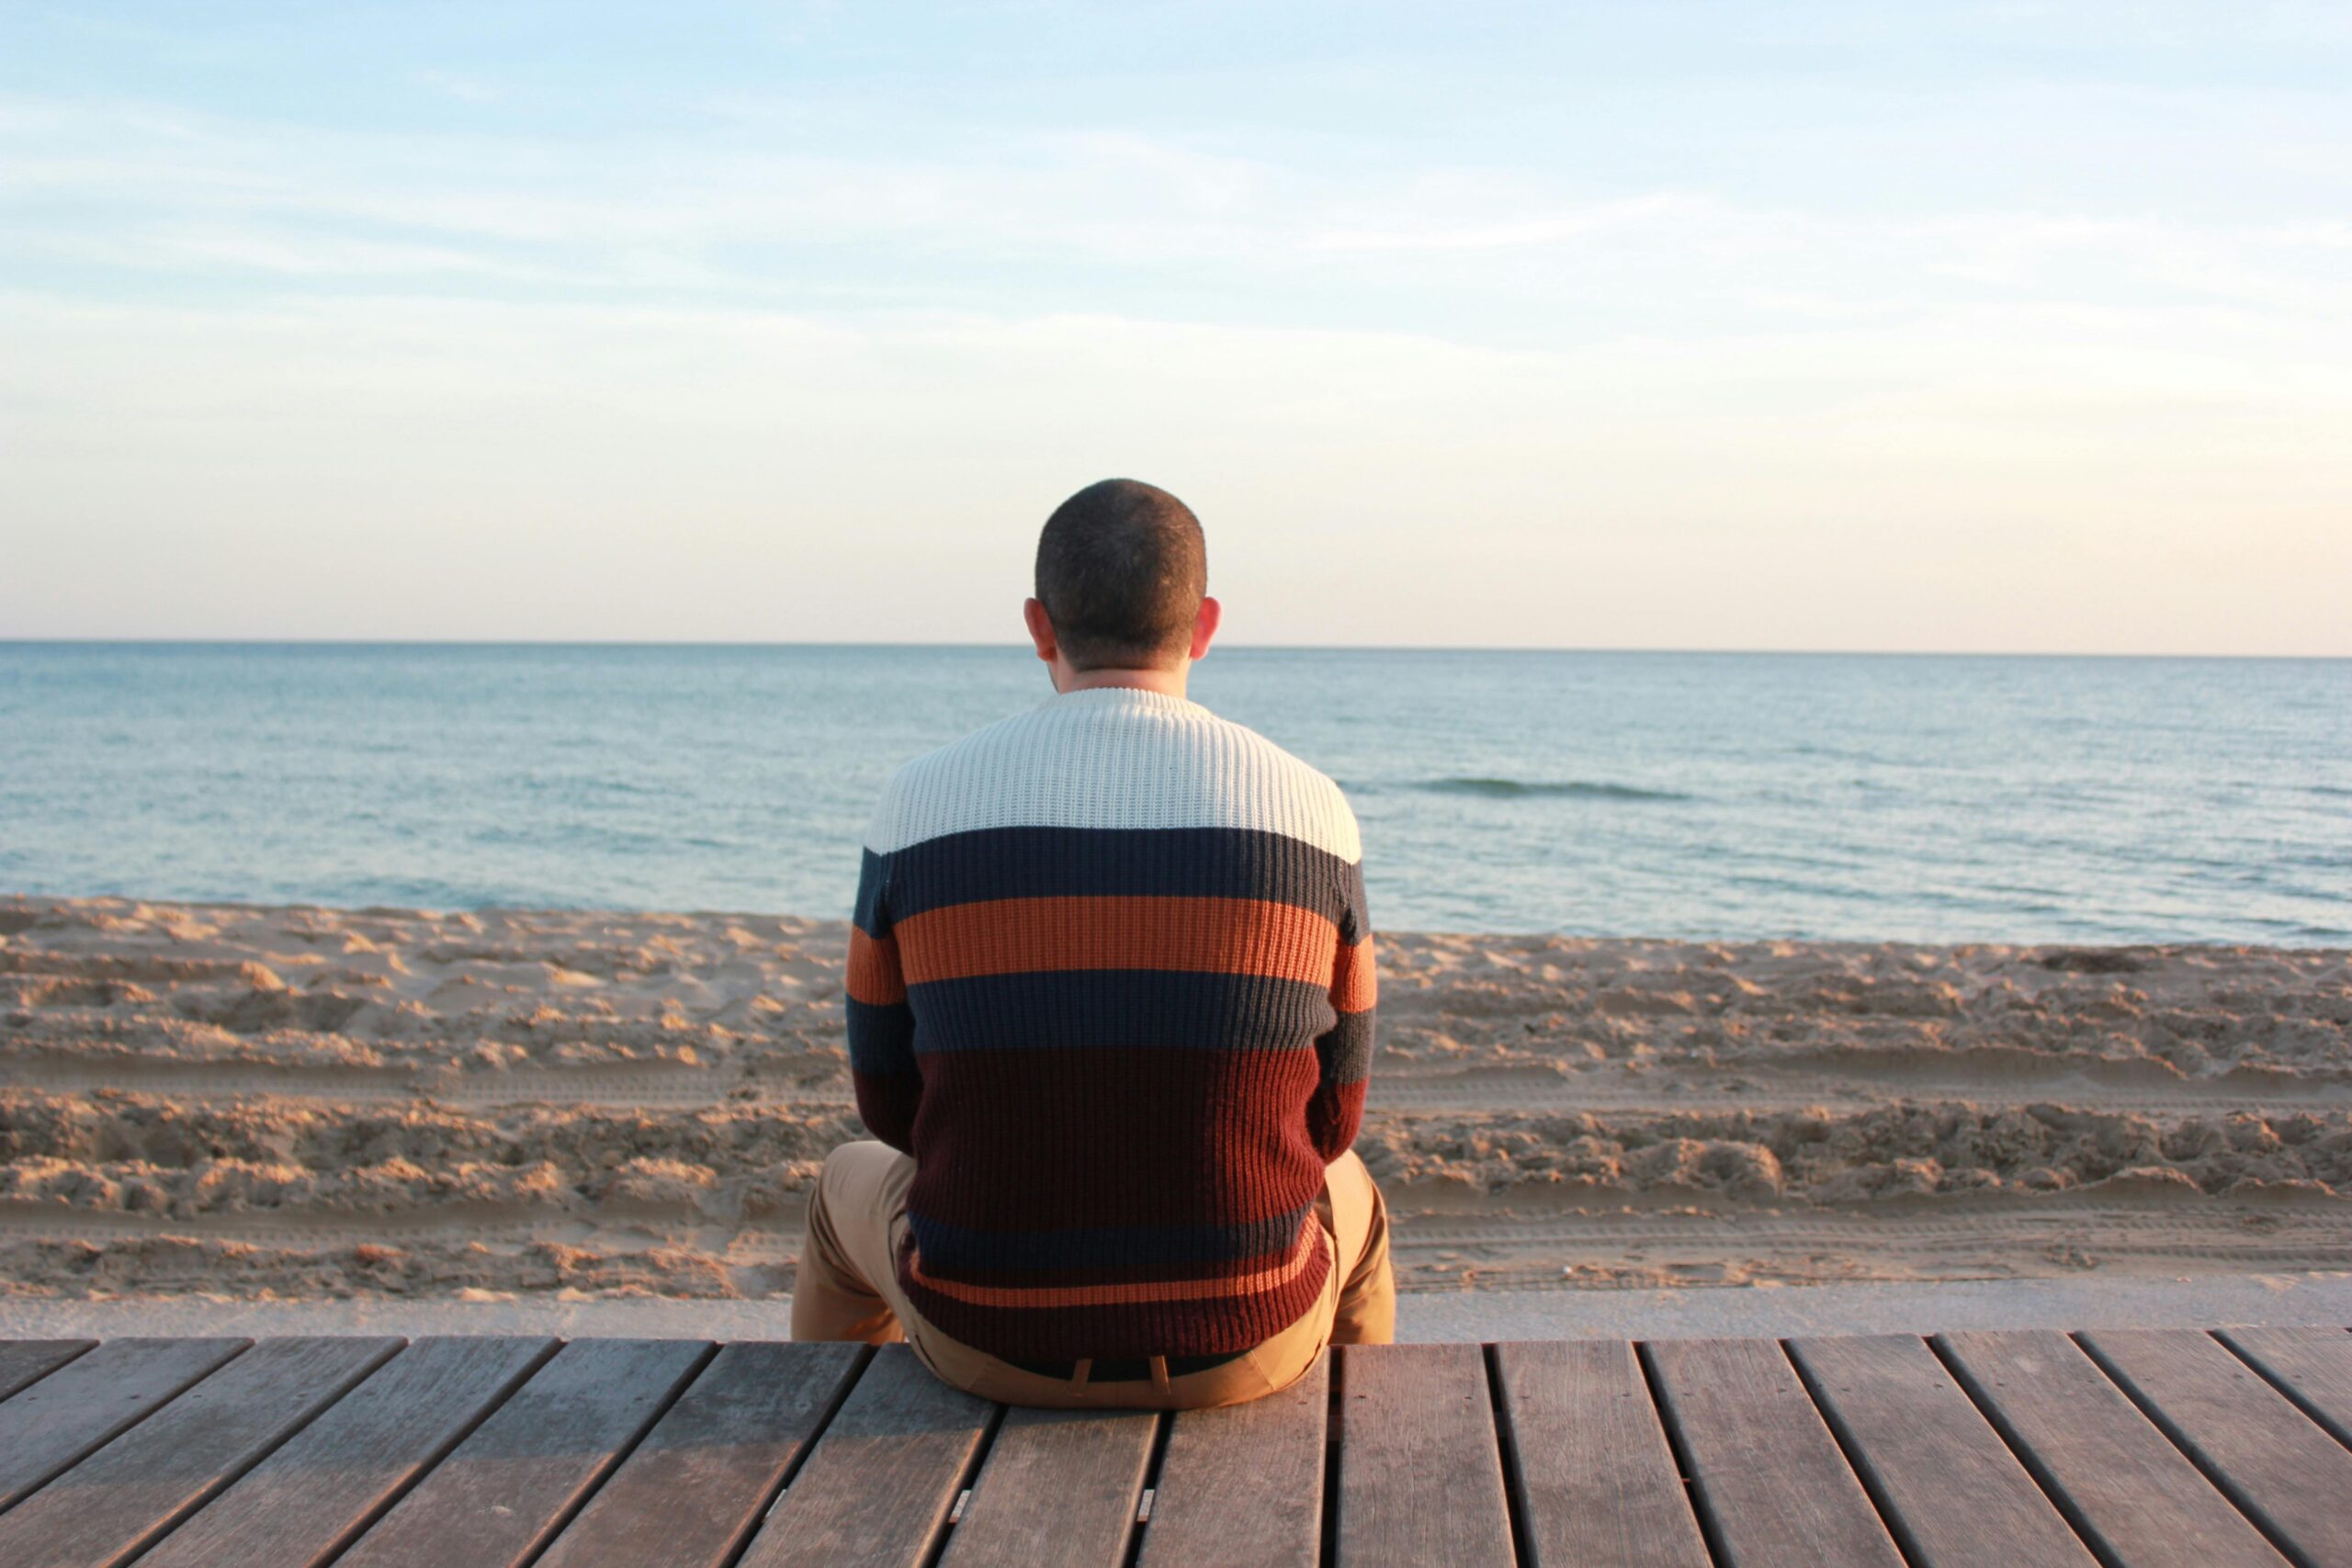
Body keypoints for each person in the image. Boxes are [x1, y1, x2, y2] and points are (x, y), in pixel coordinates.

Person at [791, 478, 1394, 1408]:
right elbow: (1331, 1122)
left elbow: (889, 1107)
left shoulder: (916, 802)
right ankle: (1350, 1442)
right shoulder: (1309, 809)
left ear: (1040, 626)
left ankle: (820, 1434)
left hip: (984, 1336)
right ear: (1204, 626)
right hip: (1240, 1346)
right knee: (1356, 1191)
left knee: (843, 1184)